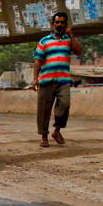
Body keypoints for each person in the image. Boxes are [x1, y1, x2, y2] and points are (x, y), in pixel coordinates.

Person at [31, 10, 81, 147]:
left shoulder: (68, 40)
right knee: (44, 110)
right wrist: (35, 79)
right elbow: (37, 62)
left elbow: (78, 51)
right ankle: (44, 136)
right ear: (53, 24)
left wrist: (71, 35)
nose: (59, 25)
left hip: (63, 81)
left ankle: (57, 130)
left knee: (65, 105)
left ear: (66, 25)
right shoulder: (44, 41)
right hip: (46, 80)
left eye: (62, 23)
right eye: (57, 22)